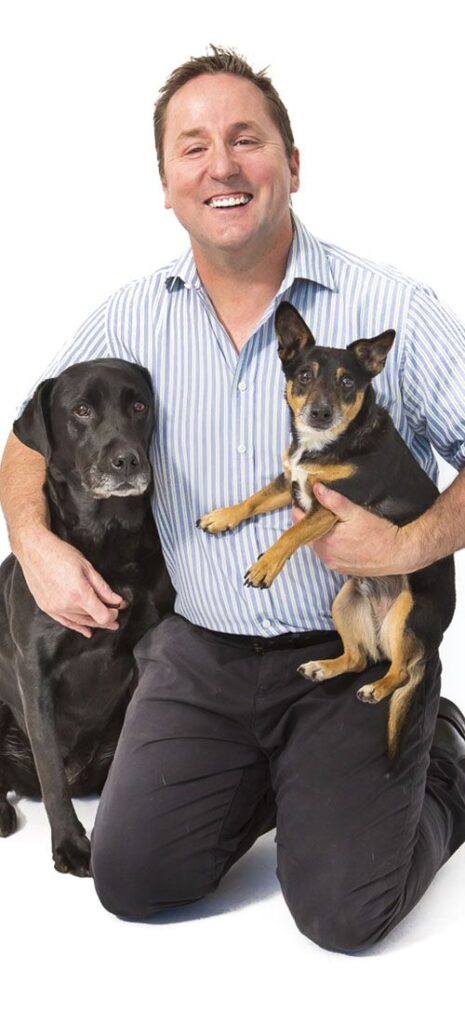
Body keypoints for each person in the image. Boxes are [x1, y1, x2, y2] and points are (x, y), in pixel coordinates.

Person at [1, 45, 465, 953]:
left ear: (291, 163)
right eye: (193, 147)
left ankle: (442, 763)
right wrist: (35, 542)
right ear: (166, 184)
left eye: (245, 140)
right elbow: (27, 439)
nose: (221, 166)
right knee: (131, 883)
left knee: (343, 916)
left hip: (346, 648)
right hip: (195, 652)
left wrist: (408, 546)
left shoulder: (394, 309)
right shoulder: (129, 318)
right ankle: (287, 777)